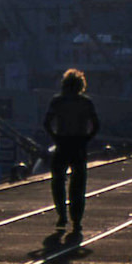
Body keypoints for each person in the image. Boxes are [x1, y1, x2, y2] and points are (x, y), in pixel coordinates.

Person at [43, 68, 100, 237]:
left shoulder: (57, 101)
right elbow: (96, 125)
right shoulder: (86, 102)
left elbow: (46, 123)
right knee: (78, 183)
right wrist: (86, 139)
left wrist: (55, 137)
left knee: (58, 181)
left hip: (62, 143)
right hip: (79, 144)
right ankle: (77, 219)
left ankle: (62, 214)